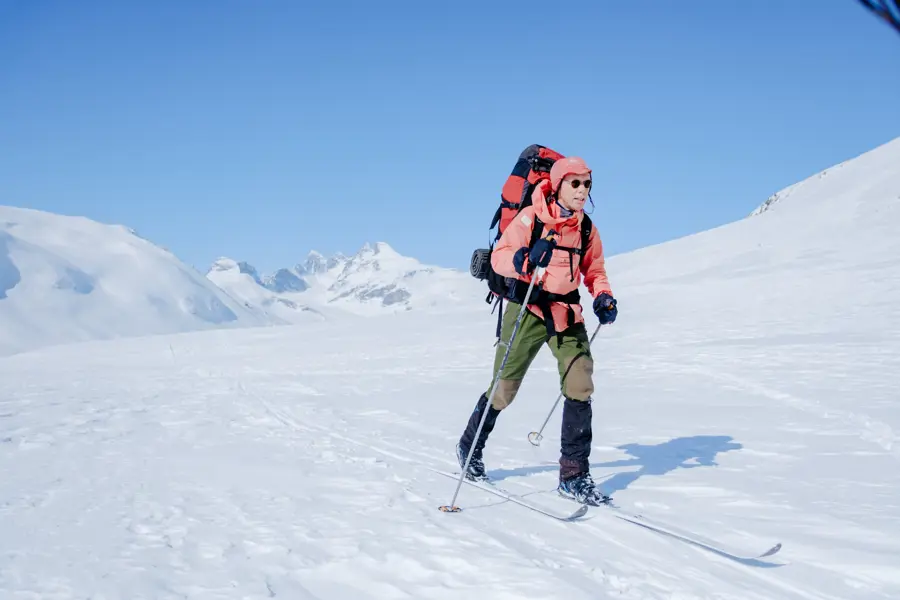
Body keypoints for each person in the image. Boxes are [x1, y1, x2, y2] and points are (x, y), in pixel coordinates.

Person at [456, 156, 618, 506]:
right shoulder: (530, 218)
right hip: (527, 307)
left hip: (564, 309)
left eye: (587, 184)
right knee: (504, 390)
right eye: (575, 183)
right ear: (558, 185)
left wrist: (603, 295)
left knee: (580, 381)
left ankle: (574, 475)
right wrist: (525, 259)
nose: (582, 190)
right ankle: (469, 447)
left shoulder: (586, 228)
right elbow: (501, 256)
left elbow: (595, 269)